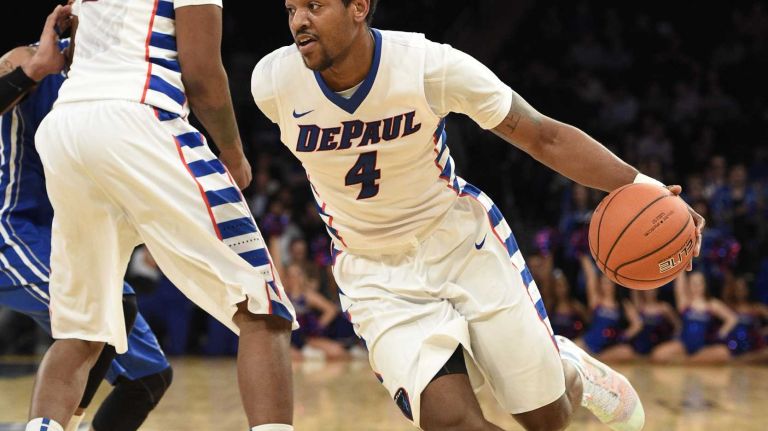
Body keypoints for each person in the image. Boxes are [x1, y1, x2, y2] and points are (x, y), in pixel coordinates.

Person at [251, 1, 704, 430]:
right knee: (450, 421)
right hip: (373, 271)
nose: (299, 22)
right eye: (291, 9)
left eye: (315, 6)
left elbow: (542, 136)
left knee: (548, 420)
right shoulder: (273, 82)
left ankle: (571, 369)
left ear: (359, 7)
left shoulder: (429, 66)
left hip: (461, 244)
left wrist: (647, 187)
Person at [25, 1, 297, 431]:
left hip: (66, 126)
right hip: (138, 117)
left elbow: (73, 50)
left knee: (82, 329)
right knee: (264, 307)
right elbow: (203, 76)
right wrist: (233, 154)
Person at [0, 9, 172, 431]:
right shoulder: (25, 58)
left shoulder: (130, 69)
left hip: (74, 234)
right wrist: (36, 70)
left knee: (149, 377)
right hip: (13, 229)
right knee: (115, 306)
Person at [651, 272, 738, 364]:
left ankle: (689, 361)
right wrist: (682, 264)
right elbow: (679, 287)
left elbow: (732, 318)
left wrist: (722, 332)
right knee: (657, 355)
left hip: (703, 347)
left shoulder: (712, 304)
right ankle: (693, 361)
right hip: (683, 345)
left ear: (704, 285)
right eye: (693, 283)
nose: (696, 286)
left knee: (724, 353)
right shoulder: (685, 303)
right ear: (688, 285)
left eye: (699, 283)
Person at [577, 255, 642, 362]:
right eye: (603, 282)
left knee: (627, 351)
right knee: (571, 346)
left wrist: (621, 336)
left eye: (608, 283)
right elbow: (591, 277)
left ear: (614, 284)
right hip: (589, 343)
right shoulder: (596, 301)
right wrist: (583, 256)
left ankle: (595, 360)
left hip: (608, 348)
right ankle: (591, 359)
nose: (606, 285)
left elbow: (638, 324)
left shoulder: (622, 303)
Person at [628, 290, 679, 357]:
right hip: (641, 344)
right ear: (643, 291)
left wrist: (674, 338)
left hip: (659, 344)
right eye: (647, 290)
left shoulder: (664, 307)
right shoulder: (639, 306)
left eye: (652, 290)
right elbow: (634, 290)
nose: (650, 292)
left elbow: (677, 324)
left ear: (657, 291)